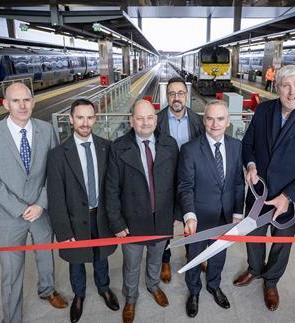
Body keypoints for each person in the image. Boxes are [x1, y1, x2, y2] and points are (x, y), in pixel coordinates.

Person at [234, 64, 295, 311]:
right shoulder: (264, 110)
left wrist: (288, 195)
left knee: (282, 242)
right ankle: (255, 270)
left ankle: (271, 281)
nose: (291, 92)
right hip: (260, 194)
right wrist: (252, 165)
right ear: (276, 87)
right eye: (285, 85)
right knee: (253, 235)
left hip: (291, 200)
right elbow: (248, 145)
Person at [0, 82, 68, 323]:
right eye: (16, 101)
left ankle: (47, 290)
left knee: (45, 258)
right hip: (9, 216)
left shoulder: (46, 130)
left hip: (41, 210)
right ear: (5, 104)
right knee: (11, 271)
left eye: (27, 99)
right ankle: (12, 317)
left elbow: (54, 172)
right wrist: (19, 208)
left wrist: (41, 204)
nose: (22, 105)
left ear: (33, 102)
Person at [105, 99, 179, 323]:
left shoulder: (170, 144)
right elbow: (111, 189)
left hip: (162, 218)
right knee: (131, 264)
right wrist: (117, 223)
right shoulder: (118, 147)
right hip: (132, 222)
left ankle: (153, 285)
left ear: (156, 120)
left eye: (149, 118)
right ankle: (130, 297)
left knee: (156, 259)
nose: (145, 123)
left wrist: (175, 215)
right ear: (131, 120)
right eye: (140, 118)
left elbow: (178, 182)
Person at [46, 98, 119, 323]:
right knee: (76, 260)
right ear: (71, 120)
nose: (85, 123)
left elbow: (114, 186)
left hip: (101, 215)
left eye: (89, 117)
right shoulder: (58, 154)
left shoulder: (107, 147)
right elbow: (56, 197)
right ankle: (79, 295)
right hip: (74, 219)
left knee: (101, 255)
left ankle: (103, 287)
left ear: (95, 119)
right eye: (80, 117)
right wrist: (64, 232)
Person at [178, 100, 245, 318]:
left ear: (228, 122)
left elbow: (237, 183)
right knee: (195, 257)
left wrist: (237, 213)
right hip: (198, 218)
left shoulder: (236, 146)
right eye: (210, 118)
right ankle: (194, 290)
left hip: (225, 215)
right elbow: (185, 186)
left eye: (220, 119)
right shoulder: (190, 149)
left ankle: (214, 285)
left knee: (218, 255)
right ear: (203, 120)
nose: (214, 124)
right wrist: (189, 214)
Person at [156, 76, 205, 283]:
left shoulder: (197, 120)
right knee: (165, 223)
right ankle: (165, 260)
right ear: (167, 96)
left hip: (189, 181)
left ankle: (191, 253)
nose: (176, 97)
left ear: (187, 95)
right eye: (172, 93)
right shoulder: (156, 121)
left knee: (190, 217)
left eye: (180, 93)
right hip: (163, 182)